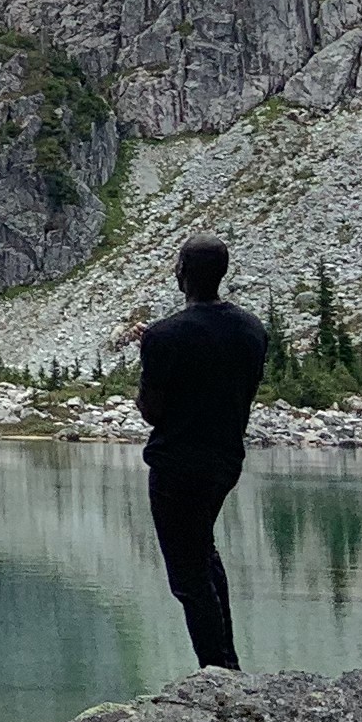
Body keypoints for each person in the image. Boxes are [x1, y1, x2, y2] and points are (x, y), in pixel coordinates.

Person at [134, 238, 271, 672]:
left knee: (188, 576)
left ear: (183, 273)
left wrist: (151, 358)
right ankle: (226, 663)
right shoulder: (252, 329)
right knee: (204, 553)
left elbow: (152, 411)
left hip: (177, 465)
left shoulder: (164, 335)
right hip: (225, 461)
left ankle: (218, 672)